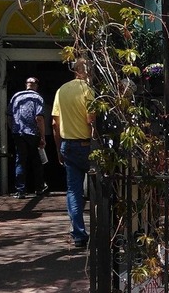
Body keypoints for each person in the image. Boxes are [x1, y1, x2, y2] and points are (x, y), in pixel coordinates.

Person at [52, 59, 95, 248]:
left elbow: (55, 123)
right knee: (98, 189)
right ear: (86, 71)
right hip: (87, 144)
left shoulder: (61, 90)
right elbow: (91, 121)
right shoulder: (88, 90)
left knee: (73, 191)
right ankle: (102, 230)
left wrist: (58, 149)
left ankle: (78, 234)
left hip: (68, 145)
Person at [8, 76, 48, 199]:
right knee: (36, 161)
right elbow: (39, 118)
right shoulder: (37, 97)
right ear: (36, 86)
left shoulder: (16, 96)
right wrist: (43, 137)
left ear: (26, 84)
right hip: (32, 133)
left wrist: (13, 129)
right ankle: (39, 189)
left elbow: (9, 116)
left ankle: (20, 191)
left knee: (20, 160)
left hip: (18, 133)